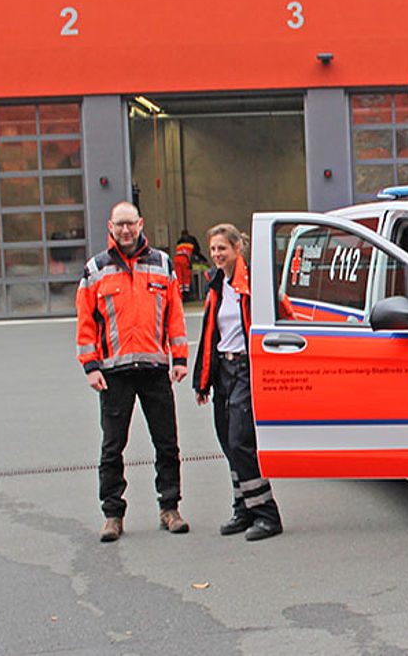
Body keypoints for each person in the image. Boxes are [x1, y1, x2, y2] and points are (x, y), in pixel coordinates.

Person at [76, 201, 190, 542]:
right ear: (110, 227)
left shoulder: (162, 264)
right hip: (114, 373)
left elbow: (175, 315)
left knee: (167, 444)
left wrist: (180, 359)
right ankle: (113, 515)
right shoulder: (96, 269)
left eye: (130, 224)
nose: (125, 230)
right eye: (119, 224)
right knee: (112, 448)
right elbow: (85, 322)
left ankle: (170, 508)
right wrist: (90, 366)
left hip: (155, 370)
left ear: (141, 224)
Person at [192, 223, 283, 541]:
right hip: (224, 370)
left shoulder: (254, 282)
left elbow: (281, 312)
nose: (217, 254)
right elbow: (209, 333)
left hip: (246, 367)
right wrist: (202, 381)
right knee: (228, 442)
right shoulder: (216, 283)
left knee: (241, 440)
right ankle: (243, 509)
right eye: (213, 249)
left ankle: (266, 514)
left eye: (222, 248)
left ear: (237, 248)